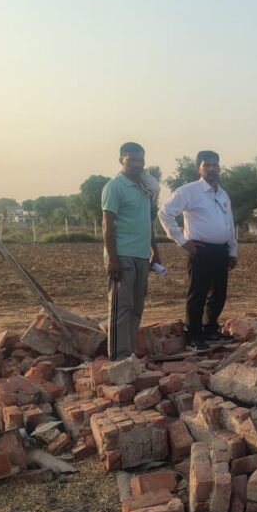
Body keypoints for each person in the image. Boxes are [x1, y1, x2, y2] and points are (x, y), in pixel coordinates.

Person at [158, 151, 237, 351]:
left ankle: (210, 329)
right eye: (206, 165)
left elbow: (229, 223)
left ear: (219, 168)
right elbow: (165, 213)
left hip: (221, 250)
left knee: (219, 294)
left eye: (215, 165)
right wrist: (182, 241)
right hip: (201, 250)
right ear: (198, 168)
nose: (211, 169)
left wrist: (232, 250)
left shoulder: (223, 194)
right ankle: (193, 334)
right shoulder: (189, 191)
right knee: (198, 294)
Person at [102, 142, 162, 360]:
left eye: (140, 160)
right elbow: (107, 225)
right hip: (123, 255)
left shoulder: (144, 188)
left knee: (137, 307)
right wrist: (113, 259)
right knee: (122, 307)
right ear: (121, 160)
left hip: (141, 255)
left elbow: (147, 222)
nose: (137, 164)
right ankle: (118, 357)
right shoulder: (114, 187)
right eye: (132, 160)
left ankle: (130, 353)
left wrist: (154, 251)